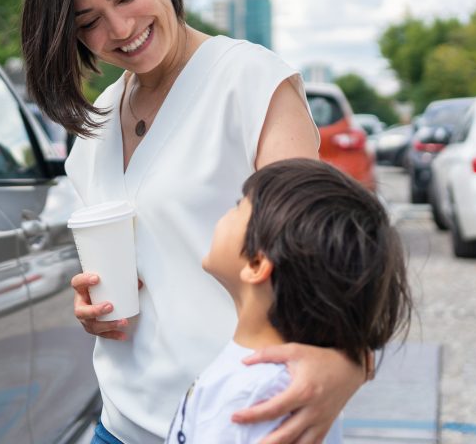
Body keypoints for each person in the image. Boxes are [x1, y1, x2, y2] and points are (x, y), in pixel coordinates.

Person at [21, 0, 368, 444]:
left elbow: (322, 253)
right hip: (121, 421)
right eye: (89, 23)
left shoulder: (249, 82)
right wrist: (92, 304)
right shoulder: (96, 126)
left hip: (244, 421)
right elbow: (146, 269)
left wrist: (351, 361)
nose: (121, 29)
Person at [165, 158, 413, 443]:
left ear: (257, 263)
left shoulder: (254, 396)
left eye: (238, 205)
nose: (226, 211)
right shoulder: (271, 380)